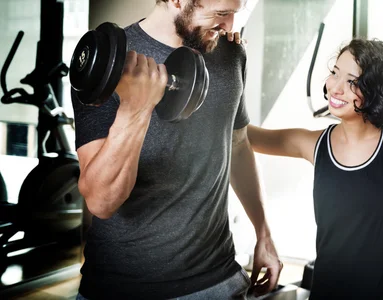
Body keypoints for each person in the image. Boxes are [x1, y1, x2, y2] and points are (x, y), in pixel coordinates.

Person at [71, 0, 282, 299]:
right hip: (122, 286)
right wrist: (137, 108)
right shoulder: (109, 60)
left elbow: (237, 146)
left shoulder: (231, 52)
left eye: (236, 13)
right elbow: (102, 202)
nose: (230, 27)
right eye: (221, 14)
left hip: (219, 279)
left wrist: (264, 233)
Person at [247, 38, 383, 299]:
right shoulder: (313, 145)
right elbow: (244, 136)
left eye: (352, 81)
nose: (336, 87)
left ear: (376, 90)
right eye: (335, 73)